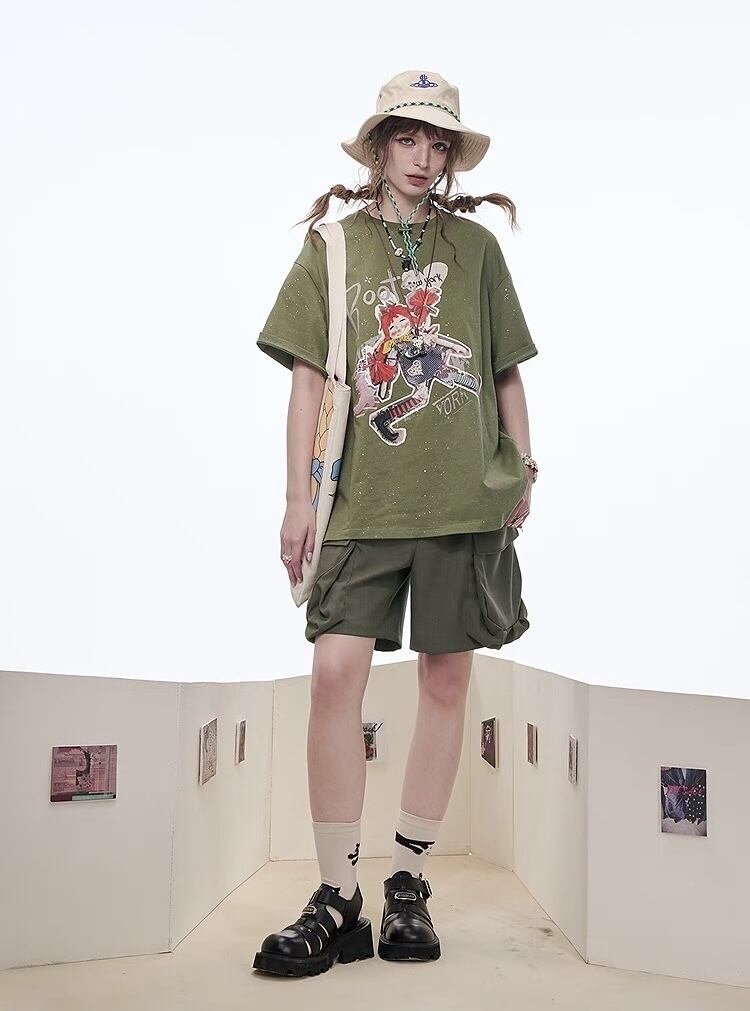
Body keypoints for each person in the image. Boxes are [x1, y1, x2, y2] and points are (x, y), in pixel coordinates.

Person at [252, 69, 539, 977]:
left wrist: (524, 466)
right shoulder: (333, 247)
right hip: (362, 500)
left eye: (438, 142)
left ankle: (408, 883)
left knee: (445, 681)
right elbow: (307, 381)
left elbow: (505, 368)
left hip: (462, 498)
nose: (423, 156)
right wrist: (298, 497)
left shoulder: (476, 249)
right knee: (334, 672)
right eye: (408, 138)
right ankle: (337, 894)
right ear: (379, 145)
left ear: (451, 155)